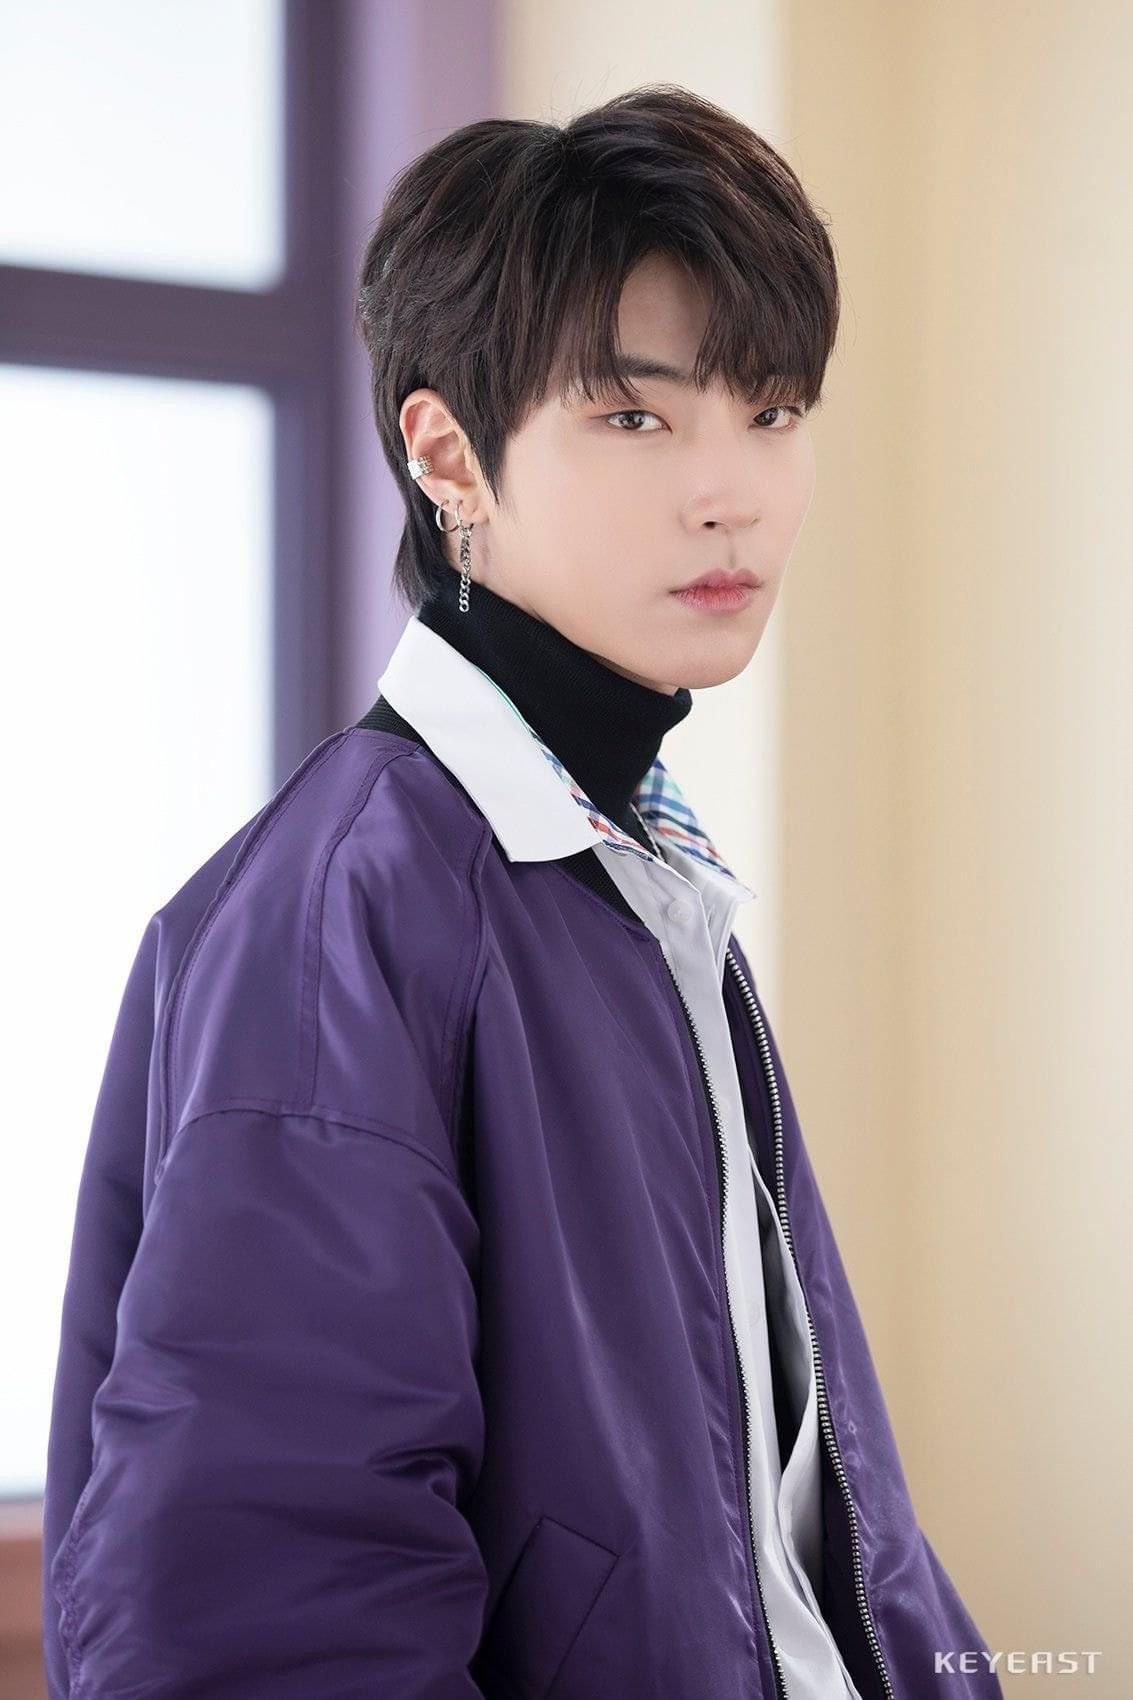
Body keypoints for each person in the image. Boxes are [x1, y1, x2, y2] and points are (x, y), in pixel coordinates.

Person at [41, 83, 1002, 1700]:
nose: (730, 490)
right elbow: (261, 1619)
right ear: (448, 455)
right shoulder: (350, 914)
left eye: (771, 411)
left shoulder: (635, 879)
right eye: (635, 418)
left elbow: (785, 1546)